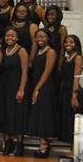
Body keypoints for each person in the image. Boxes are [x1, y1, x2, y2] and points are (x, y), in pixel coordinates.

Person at [28, 29, 57, 158]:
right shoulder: (38, 51)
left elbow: (47, 71)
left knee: (44, 117)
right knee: (39, 116)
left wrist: (37, 88)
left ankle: (44, 146)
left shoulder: (50, 52)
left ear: (48, 38)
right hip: (38, 86)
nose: (40, 39)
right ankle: (42, 146)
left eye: (43, 36)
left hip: (46, 88)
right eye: (37, 36)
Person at [0, 28, 30, 156]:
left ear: (17, 38)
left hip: (17, 86)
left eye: (12, 36)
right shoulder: (3, 51)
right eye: (7, 35)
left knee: (17, 116)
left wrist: (22, 89)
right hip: (5, 87)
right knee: (6, 116)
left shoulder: (21, 51)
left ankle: (19, 145)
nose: (9, 38)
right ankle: (8, 143)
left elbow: (25, 71)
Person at [57, 35, 83, 143]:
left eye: (71, 42)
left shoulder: (77, 57)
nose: (68, 44)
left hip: (73, 90)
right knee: (66, 120)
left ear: (76, 44)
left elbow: (76, 78)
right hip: (64, 91)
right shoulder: (65, 58)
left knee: (72, 120)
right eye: (66, 42)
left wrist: (74, 96)